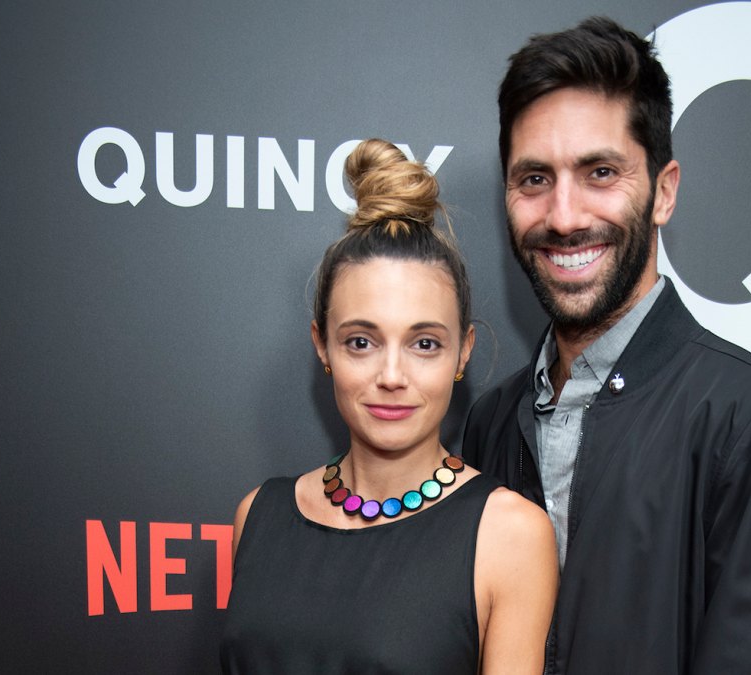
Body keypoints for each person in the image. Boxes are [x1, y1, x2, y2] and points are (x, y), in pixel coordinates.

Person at [462, 17, 751, 673]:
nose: (565, 215)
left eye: (600, 172)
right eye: (534, 179)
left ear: (664, 191)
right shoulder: (491, 422)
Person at [221, 139, 558, 674]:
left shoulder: (509, 535)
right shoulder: (258, 515)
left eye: (425, 343)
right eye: (361, 342)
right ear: (322, 346)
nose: (392, 377)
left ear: (462, 352)